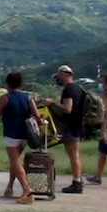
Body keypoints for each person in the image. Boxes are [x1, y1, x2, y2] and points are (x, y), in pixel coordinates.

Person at [0, 71, 41, 204]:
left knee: (15, 162)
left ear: (7, 84)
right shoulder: (29, 98)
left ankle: (27, 190)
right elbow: (37, 117)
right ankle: (10, 188)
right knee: (16, 161)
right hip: (25, 134)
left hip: (12, 135)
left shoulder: (5, 98)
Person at [44, 65, 85, 194]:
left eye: (59, 76)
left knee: (73, 155)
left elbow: (68, 109)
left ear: (64, 75)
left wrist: (52, 103)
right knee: (74, 154)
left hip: (71, 126)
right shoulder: (79, 88)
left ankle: (77, 182)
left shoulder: (69, 89)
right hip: (78, 125)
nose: (58, 79)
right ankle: (78, 179)